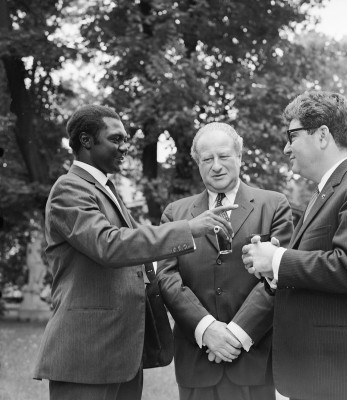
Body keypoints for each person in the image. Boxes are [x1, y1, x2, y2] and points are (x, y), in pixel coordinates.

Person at [33, 105, 237, 400]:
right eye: (116, 139)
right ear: (87, 140)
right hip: (86, 355)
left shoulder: (106, 189)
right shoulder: (70, 188)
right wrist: (187, 229)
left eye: (126, 139)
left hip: (121, 357)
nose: (125, 147)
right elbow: (110, 244)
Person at [242, 90, 347, 400]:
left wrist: (278, 259)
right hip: (317, 376)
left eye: (292, 135)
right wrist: (275, 272)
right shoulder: (321, 195)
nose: (287, 147)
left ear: (323, 135)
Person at [157, 122, 293, 400]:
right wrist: (206, 329)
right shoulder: (175, 214)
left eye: (224, 156)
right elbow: (168, 279)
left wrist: (235, 334)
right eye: (207, 159)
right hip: (196, 361)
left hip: (253, 359)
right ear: (198, 163)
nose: (216, 166)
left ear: (240, 157)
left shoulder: (274, 205)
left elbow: (280, 277)